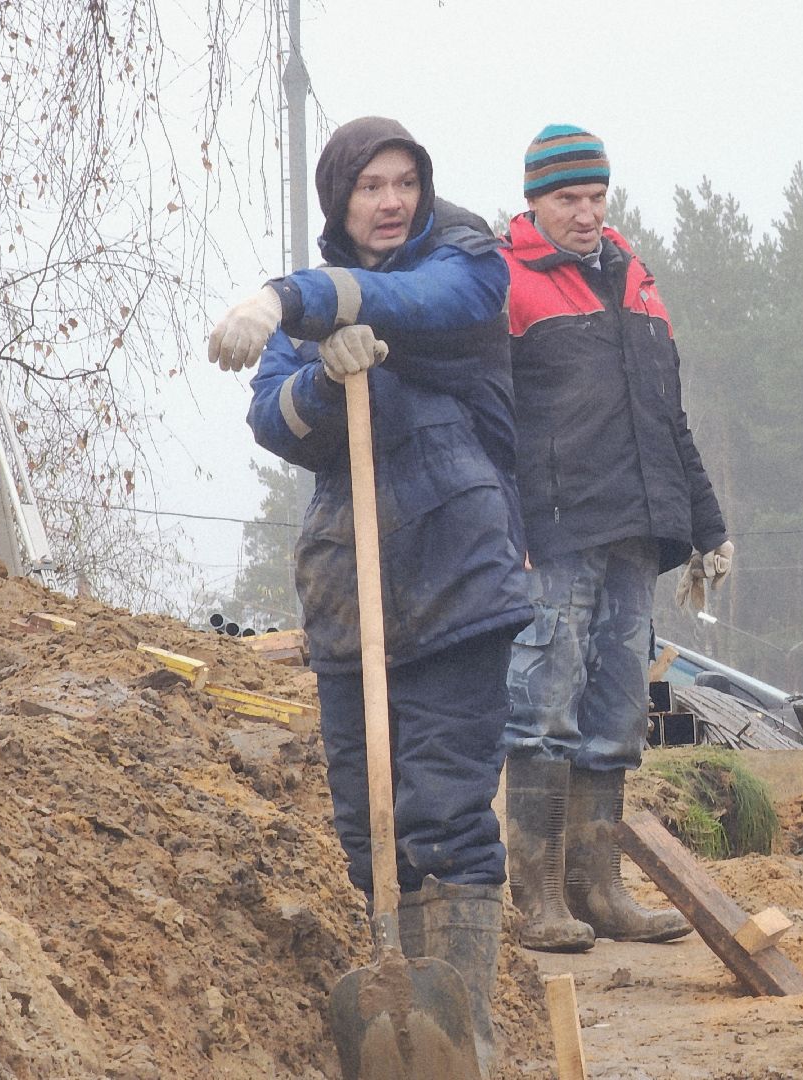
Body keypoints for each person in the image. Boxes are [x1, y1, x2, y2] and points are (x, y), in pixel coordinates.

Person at [207, 116, 529, 1074]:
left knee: (445, 813)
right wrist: (323, 373)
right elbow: (273, 416)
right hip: (353, 587)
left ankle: (460, 1034)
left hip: (459, 575)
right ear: (339, 202)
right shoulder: (314, 323)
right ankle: (403, 1023)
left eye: (404, 183)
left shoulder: (466, 258)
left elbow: (427, 303)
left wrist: (293, 299)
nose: (392, 202)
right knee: (367, 825)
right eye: (370, 188)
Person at [500, 124, 734, 953]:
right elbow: (490, 418)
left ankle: (599, 890)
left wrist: (707, 524)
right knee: (542, 703)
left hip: (639, 529)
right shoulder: (508, 281)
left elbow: (669, 416)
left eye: (597, 196)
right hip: (555, 532)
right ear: (535, 201)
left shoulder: (637, 281)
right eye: (569, 199)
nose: (587, 213)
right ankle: (537, 899)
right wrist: (504, 522)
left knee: (616, 711)